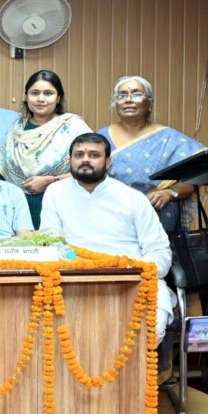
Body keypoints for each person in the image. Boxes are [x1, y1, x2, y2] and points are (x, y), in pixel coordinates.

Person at [40, 133, 173, 337]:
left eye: (94, 155)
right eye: (79, 155)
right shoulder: (55, 193)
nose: (85, 160)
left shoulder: (132, 198)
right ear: (70, 161)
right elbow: (51, 245)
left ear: (108, 162)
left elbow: (159, 250)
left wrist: (137, 272)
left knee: (150, 331)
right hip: (73, 281)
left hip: (132, 280)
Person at [98, 75, 203, 233]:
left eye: (136, 94)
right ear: (115, 103)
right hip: (112, 222)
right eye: (122, 95)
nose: (128, 99)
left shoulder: (168, 138)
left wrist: (169, 192)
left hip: (160, 222)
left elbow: (196, 176)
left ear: (150, 104)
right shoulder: (100, 138)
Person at [0, 69, 91, 229]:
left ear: (58, 97)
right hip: (18, 209)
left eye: (48, 93)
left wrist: (51, 180)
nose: (40, 99)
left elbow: (91, 170)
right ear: (26, 96)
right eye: (35, 93)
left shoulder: (74, 127)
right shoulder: (16, 130)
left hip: (63, 206)